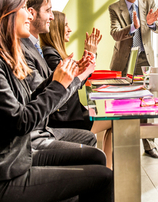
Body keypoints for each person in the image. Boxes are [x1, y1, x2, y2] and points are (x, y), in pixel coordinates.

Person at [0, 0, 113, 202]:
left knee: (95, 160)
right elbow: (21, 121)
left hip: (16, 161)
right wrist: (59, 84)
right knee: (104, 177)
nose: (28, 15)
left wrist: (61, 79)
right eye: (24, 8)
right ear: (4, 15)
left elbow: (27, 103)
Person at [18, 0, 97, 150]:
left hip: (46, 125)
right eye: (48, 11)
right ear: (31, 13)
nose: (52, 17)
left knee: (92, 143)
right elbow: (42, 93)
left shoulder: (35, 46)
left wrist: (74, 72)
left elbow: (45, 86)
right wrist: (77, 76)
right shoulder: (27, 49)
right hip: (44, 129)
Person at [40, 10, 113, 169]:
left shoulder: (53, 53)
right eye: (65, 25)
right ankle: (108, 171)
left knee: (112, 123)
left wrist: (90, 54)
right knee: (114, 122)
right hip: (66, 119)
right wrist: (90, 54)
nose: (69, 29)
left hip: (69, 115)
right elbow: (71, 85)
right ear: (56, 29)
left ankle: (108, 170)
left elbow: (76, 80)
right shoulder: (51, 56)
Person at [109, 0, 158, 159]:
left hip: (144, 59)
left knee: (146, 102)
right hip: (124, 61)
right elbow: (115, 33)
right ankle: (125, 143)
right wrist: (133, 27)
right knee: (123, 101)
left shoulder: (148, 3)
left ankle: (149, 145)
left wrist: (151, 24)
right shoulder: (114, 8)